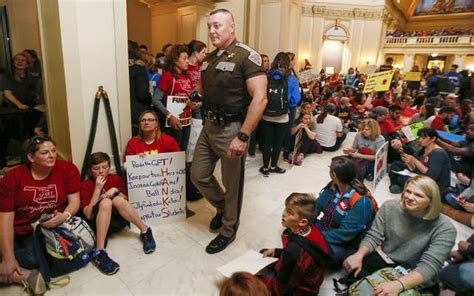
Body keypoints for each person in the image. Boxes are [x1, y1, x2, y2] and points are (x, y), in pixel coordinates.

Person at [191, 9, 267, 254]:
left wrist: (243, 136)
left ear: (231, 27)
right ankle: (223, 207)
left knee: (232, 183)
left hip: (232, 129)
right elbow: (202, 91)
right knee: (198, 175)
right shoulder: (208, 59)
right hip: (208, 126)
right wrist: (197, 99)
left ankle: (228, 229)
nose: (212, 31)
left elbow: (260, 99)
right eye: (210, 26)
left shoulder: (247, 56)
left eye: (218, 26)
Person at [343, 176, 456, 296]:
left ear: (431, 201)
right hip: (389, 260)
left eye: (418, 195)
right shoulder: (390, 207)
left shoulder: (445, 228)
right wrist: (359, 255)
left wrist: (398, 285)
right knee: (354, 267)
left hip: (416, 271)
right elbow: (373, 236)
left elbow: (429, 266)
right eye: (408, 191)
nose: (410, 197)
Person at [0, 136, 82, 294]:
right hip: (19, 230)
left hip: (47, 230)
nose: (52, 155)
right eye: (45, 152)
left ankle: (16, 271)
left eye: (53, 151)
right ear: (31, 157)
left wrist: (64, 215)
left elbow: (75, 201)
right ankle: (20, 275)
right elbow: (6, 219)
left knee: (37, 259)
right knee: (14, 258)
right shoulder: (12, 178)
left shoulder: (67, 169)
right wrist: (9, 258)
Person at [80, 152, 156, 275]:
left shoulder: (114, 178)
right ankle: (99, 252)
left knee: (117, 199)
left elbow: (125, 199)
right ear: (90, 170)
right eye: (96, 168)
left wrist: (115, 190)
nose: (101, 171)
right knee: (106, 203)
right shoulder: (86, 185)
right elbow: (88, 214)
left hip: (118, 220)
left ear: (109, 168)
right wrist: (98, 190)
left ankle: (145, 230)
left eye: (104, 167)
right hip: (99, 225)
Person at [260, 193, 330, 295]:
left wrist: (259, 282)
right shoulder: (312, 229)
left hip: (301, 291)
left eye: (290, 213)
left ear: (302, 222)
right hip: (312, 282)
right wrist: (276, 252)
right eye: (285, 209)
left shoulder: (293, 249)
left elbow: (280, 288)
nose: (283, 214)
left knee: (253, 281)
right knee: (263, 253)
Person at [313, 156, 377, 265]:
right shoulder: (332, 186)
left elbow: (345, 233)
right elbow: (316, 206)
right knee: (297, 221)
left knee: (329, 255)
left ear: (333, 175)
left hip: (346, 242)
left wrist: (315, 237)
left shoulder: (361, 201)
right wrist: (304, 219)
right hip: (326, 227)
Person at [259, 52, 300, 177]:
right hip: (282, 115)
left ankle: (265, 167)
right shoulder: (291, 78)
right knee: (278, 143)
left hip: (266, 114)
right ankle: (273, 166)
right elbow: (295, 99)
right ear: (288, 63)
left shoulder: (266, 75)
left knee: (267, 142)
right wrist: (287, 106)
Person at [152, 44, 197, 151]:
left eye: (187, 58)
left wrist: (195, 103)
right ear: (176, 60)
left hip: (187, 120)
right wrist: (169, 116)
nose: (187, 61)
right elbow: (155, 99)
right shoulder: (167, 76)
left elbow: (190, 96)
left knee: (183, 151)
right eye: (184, 58)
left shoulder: (188, 76)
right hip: (173, 121)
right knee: (174, 151)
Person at [389, 128, 451, 195]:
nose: (420, 140)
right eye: (420, 137)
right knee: (395, 164)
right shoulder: (424, 148)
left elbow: (431, 176)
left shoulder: (438, 153)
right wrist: (409, 162)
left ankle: (397, 184)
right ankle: (395, 184)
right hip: (421, 176)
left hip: (433, 185)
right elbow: (414, 169)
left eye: (423, 138)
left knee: (401, 178)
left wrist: (414, 160)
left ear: (433, 139)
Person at [128, 40, 152, 136]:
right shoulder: (138, 68)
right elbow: (142, 94)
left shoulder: (122, 67)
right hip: (138, 113)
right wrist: (150, 99)